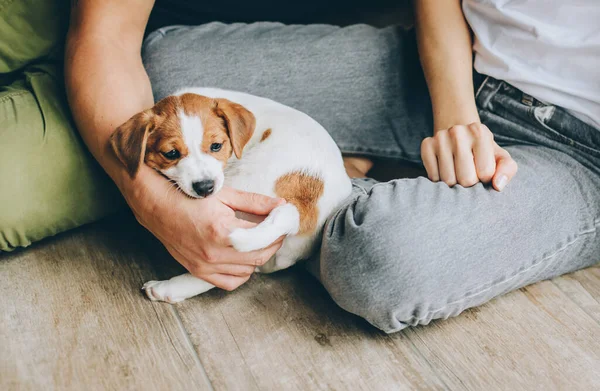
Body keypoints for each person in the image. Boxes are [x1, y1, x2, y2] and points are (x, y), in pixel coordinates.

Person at [65, 0, 600, 333]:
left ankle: (335, 187)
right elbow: (107, 35)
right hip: (451, 66)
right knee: (167, 76)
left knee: (377, 259)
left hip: (581, 145)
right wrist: (455, 112)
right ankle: (347, 170)